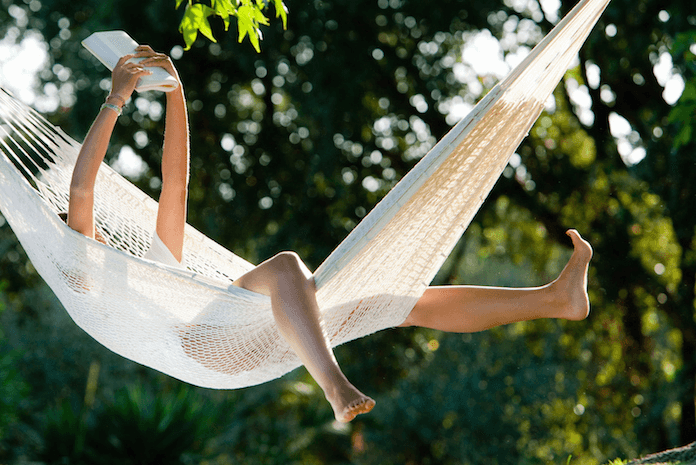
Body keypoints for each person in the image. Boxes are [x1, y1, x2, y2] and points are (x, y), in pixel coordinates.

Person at [67, 46, 593, 423]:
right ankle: (335, 385)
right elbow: (83, 194)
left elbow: (175, 185)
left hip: (240, 336)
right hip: (204, 346)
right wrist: (115, 100)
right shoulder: (85, 270)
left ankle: (554, 299)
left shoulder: (160, 263)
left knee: (399, 303)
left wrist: (175, 96)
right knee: (285, 266)